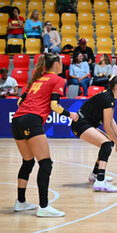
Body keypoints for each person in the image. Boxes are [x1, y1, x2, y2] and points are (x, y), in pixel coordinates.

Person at [11, 53, 78, 217]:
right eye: (61, 62)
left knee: (28, 162)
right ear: (55, 64)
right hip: (31, 121)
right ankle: (44, 206)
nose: (63, 64)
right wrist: (71, 114)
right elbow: (54, 105)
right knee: (46, 163)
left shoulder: (35, 80)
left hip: (17, 120)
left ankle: (20, 202)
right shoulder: (58, 80)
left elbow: (20, 102)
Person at [71, 75, 117, 192]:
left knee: (107, 144)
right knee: (107, 144)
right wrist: (116, 143)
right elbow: (106, 126)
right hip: (80, 124)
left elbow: (111, 120)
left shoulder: (110, 97)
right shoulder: (108, 99)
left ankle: (95, 174)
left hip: (85, 123)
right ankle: (100, 181)